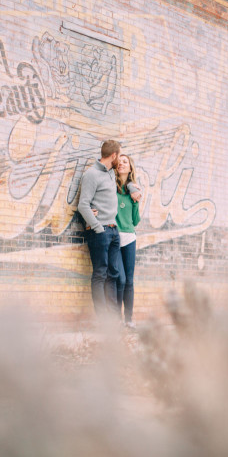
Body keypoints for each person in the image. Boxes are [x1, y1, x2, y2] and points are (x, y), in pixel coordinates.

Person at [76, 140, 121, 317]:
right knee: (100, 274)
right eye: (120, 155)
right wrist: (97, 227)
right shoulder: (91, 175)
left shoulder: (111, 173)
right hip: (100, 232)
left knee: (113, 275)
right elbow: (83, 205)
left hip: (113, 231)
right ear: (114, 155)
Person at [114, 154, 141, 327]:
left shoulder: (134, 191)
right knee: (120, 279)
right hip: (114, 237)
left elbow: (136, 221)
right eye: (119, 162)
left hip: (130, 238)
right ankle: (116, 319)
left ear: (130, 168)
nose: (122, 164)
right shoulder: (111, 188)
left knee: (129, 281)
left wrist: (136, 202)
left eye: (125, 162)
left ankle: (129, 320)